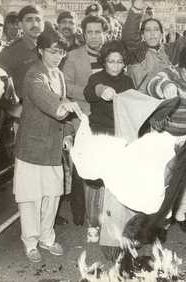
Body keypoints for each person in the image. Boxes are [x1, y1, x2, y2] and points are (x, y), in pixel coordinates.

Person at [13, 28, 83, 263]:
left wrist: (66, 133)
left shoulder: (58, 74)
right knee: (30, 198)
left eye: (61, 52)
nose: (57, 57)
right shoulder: (34, 75)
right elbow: (47, 100)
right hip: (32, 148)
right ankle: (30, 242)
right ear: (41, 50)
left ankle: (47, 237)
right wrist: (66, 107)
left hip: (53, 146)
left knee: (52, 195)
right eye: (52, 52)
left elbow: (61, 100)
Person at [147, 45, 186, 234]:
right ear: (180, 63)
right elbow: (152, 85)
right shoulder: (170, 73)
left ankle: (180, 213)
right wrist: (166, 85)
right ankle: (163, 216)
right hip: (166, 134)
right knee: (164, 176)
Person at [83, 40, 135, 261]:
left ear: (124, 64)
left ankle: (112, 225)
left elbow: (132, 105)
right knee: (95, 183)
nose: (115, 65)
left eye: (119, 61)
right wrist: (101, 90)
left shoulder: (128, 80)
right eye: (111, 61)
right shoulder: (96, 78)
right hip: (99, 136)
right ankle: (93, 223)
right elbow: (89, 93)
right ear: (104, 61)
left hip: (119, 137)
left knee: (114, 185)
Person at [62, 15, 108, 226]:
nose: (94, 36)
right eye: (90, 32)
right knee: (81, 167)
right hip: (84, 119)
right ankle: (79, 212)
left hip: (107, 119)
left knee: (104, 164)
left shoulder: (112, 54)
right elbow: (66, 87)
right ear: (83, 33)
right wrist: (91, 93)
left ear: (104, 33)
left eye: (98, 32)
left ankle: (102, 211)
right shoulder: (73, 56)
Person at [122, 0, 186, 94]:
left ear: (161, 34)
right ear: (142, 35)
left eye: (156, 30)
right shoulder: (136, 52)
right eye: (148, 30)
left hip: (169, 102)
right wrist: (136, 10)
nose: (152, 34)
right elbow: (129, 36)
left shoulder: (168, 50)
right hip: (145, 104)